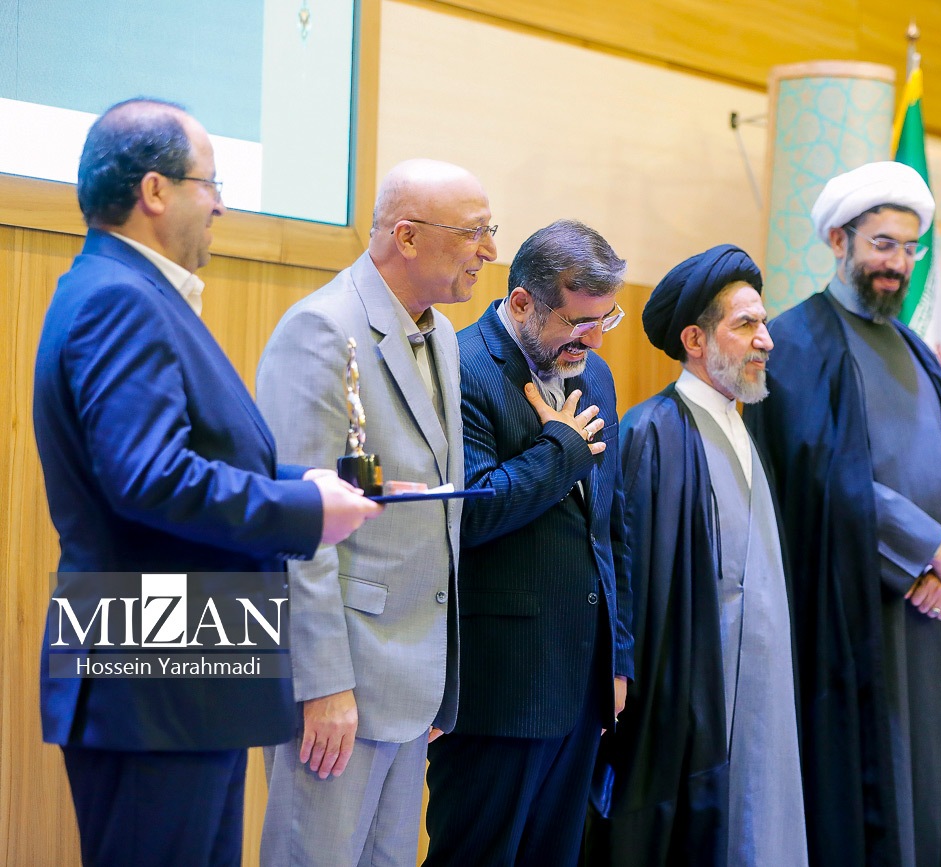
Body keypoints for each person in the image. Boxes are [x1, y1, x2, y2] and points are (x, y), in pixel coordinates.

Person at [31, 98, 381, 867]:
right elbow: (149, 477)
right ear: (155, 191)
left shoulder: (131, 292)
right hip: (155, 669)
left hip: (181, 664)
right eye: (210, 183)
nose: (221, 204)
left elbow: (184, 459)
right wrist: (301, 510)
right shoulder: (121, 298)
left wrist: (314, 484)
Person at [745, 160, 941, 867]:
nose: (897, 262)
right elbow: (820, 478)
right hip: (855, 615)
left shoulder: (917, 350)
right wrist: (928, 552)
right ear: (839, 240)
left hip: (934, 612)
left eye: (909, 248)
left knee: (934, 790)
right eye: (882, 244)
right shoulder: (794, 342)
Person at [254, 159, 495, 865]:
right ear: (408, 237)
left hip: (411, 680)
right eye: (474, 232)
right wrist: (324, 682)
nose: (489, 251)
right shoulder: (321, 330)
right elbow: (298, 529)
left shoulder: (441, 334)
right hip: (342, 680)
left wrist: (438, 677)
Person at [585, 245, 808, 867]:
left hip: (758, 692)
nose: (765, 340)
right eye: (746, 324)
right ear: (695, 340)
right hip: (687, 709)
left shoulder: (743, 427)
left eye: (764, 323)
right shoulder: (653, 432)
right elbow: (634, 586)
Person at [423, 219, 634, 865]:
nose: (595, 339)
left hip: (582, 684)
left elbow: (611, 527)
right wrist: (562, 448)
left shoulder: (596, 376)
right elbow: (471, 511)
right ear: (521, 303)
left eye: (607, 318)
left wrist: (617, 658)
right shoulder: (460, 366)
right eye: (580, 322)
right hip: (499, 690)